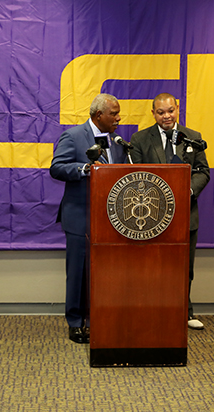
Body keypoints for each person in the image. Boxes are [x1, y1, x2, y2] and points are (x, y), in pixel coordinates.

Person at [130, 93, 210, 330]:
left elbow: (203, 171)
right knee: (150, 267)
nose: (166, 116)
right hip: (150, 217)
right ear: (153, 113)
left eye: (170, 111)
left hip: (185, 214)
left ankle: (185, 313)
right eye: (161, 112)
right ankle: (149, 310)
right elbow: (134, 177)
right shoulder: (140, 138)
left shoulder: (193, 137)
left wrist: (188, 191)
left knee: (184, 267)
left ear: (177, 109)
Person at [50, 93, 122, 343]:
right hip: (80, 216)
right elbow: (57, 167)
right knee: (79, 272)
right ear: (98, 115)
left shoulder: (118, 141)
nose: (118, 118)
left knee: (103, 273)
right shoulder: (73, 136)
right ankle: (75, 321)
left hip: (111, 218)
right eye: (113, 113)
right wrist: (84, 170)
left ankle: (97, 318)